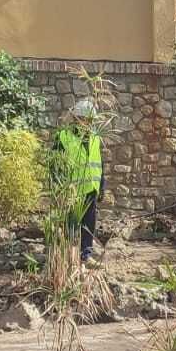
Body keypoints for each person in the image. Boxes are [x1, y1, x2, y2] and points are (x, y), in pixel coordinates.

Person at [55, 97, 104, 262]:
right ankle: (67, 255)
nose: (89, 123)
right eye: (86, 119)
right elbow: (55, 165)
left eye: (91, 120)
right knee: (70, 224)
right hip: (71, 190)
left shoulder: (96, 137)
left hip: (91, 189)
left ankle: (86, 254)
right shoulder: (63, 137)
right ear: (77, 118)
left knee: (89, 224)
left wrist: (101, 186)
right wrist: (59, 187)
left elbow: (98, 163)